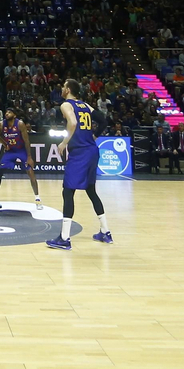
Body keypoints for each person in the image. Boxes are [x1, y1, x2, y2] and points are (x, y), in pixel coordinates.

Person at [45, 79, 112, 250]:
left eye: (63, 86)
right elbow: (104, 120)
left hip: (80, 153)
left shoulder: (66, 105)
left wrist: (64, 142)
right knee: (91, 190)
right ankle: (105, 232)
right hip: (92, 150)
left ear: (67, 89)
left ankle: (64, 239)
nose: (61, 88)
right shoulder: (85, 105)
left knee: (68, 191)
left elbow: (73, 123)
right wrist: (95, 136)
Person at [0, 108, 42, 205]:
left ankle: (37, 198)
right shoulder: (1, 124)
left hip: (21, 150)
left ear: (15, 115)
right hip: (11, 151)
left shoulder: (20, 124)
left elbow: (26, 141)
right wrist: (5, 144)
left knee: (30, 171)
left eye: (9, 112)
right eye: (6, 112)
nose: (7, 114)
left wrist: (29, 157)